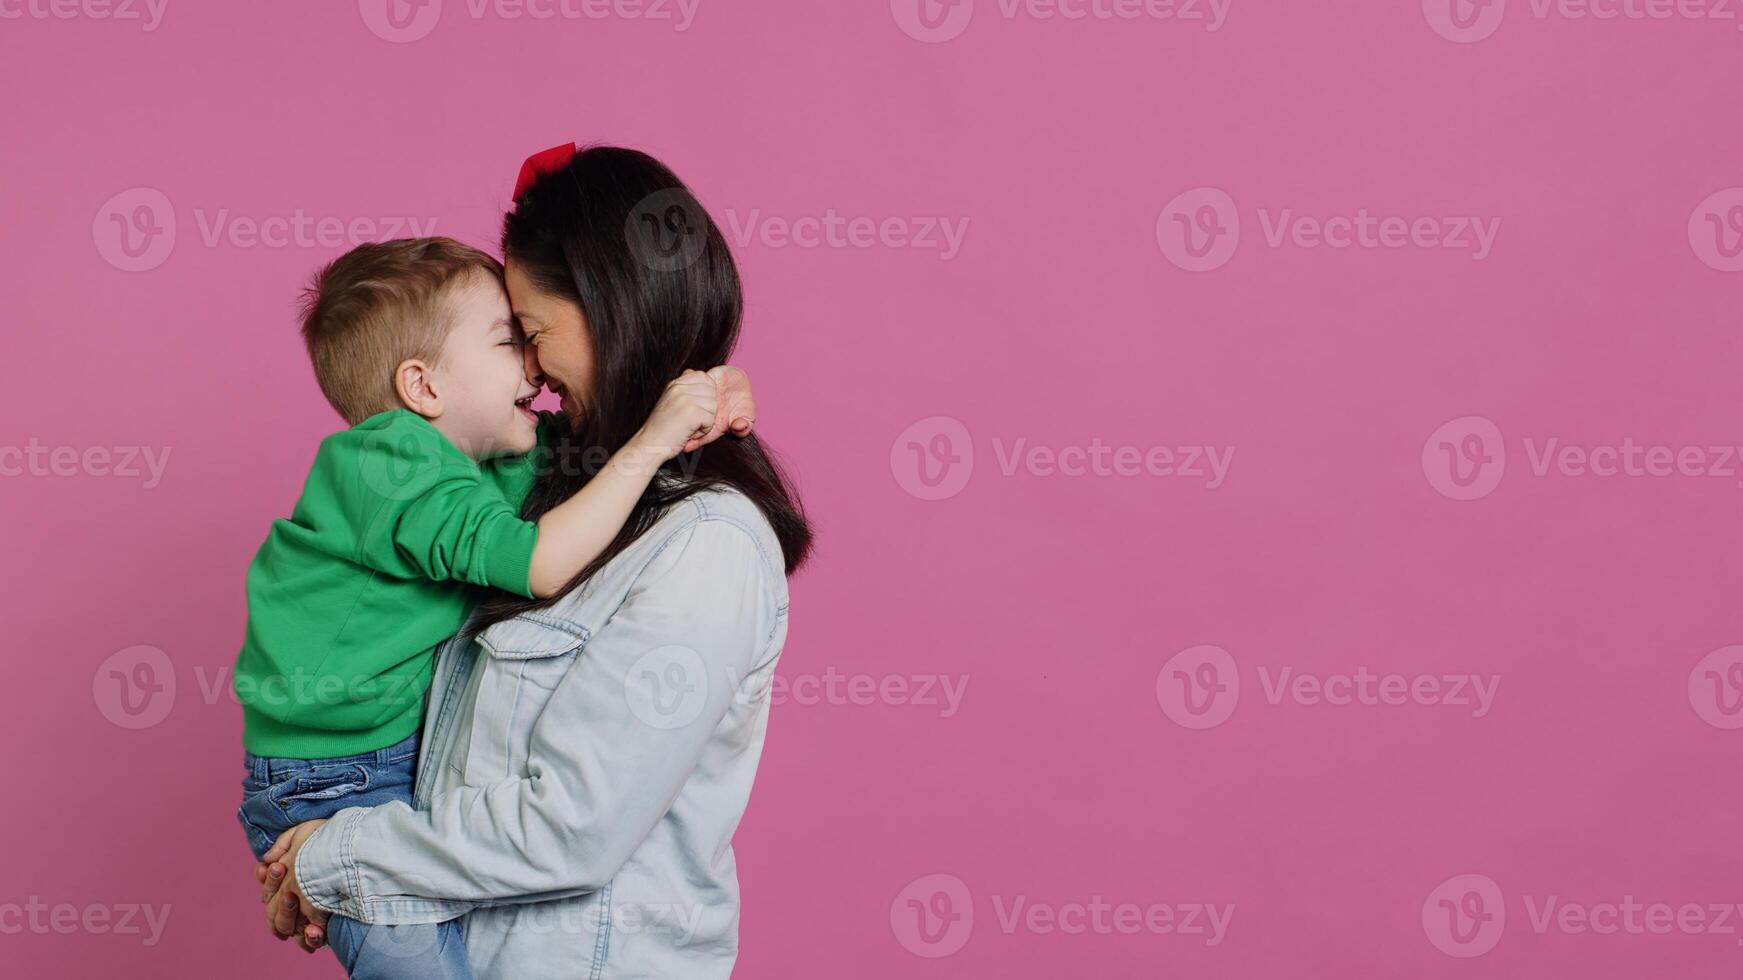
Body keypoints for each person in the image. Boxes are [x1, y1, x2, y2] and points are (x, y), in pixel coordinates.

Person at [255, 144, 812, 979]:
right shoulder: (532, 494)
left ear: (610, 312)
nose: (532, 368)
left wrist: (336, 859)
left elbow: (572, 829)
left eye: (533, 333)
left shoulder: (706, 545)